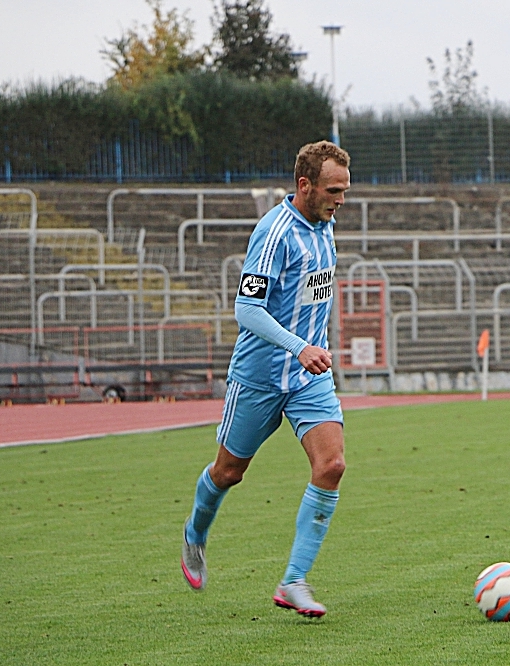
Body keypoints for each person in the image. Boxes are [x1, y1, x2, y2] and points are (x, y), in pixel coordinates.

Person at [181, 140, 351, 618]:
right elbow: (246, 309)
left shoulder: (327, 226)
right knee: (228, 473)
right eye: (333, 190)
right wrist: (300, 345)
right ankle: (195, 533)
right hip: (258, 377)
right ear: (305, 185)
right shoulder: (274, 234)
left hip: (308, 378)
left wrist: (311, 348)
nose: (341, 200)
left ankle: (294, 580)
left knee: (332, 465)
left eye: (345, 191)